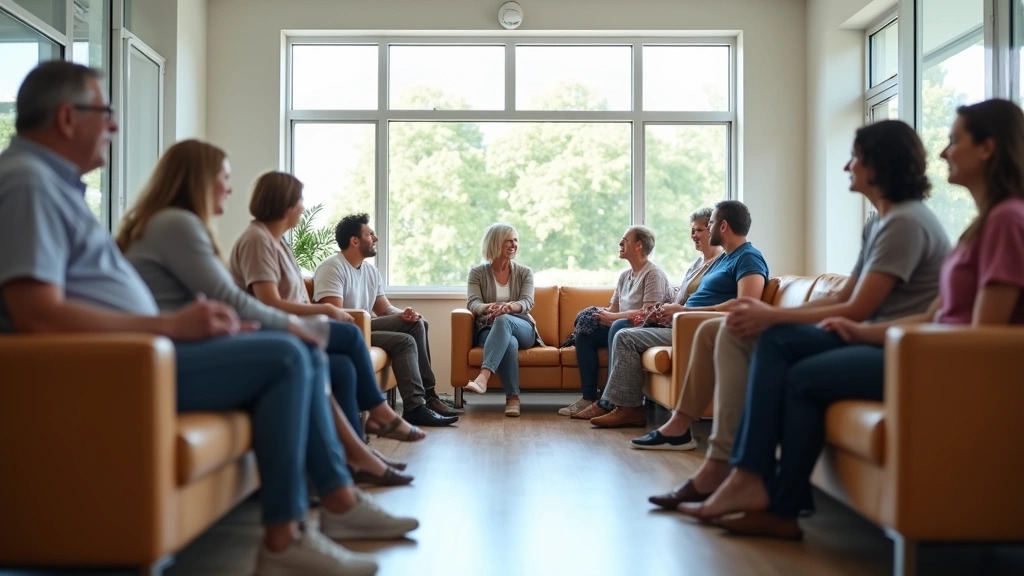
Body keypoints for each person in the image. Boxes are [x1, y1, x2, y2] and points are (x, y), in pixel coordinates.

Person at [0, 61, 415, 576]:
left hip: (138, 357)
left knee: (299, 352)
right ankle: (301, 528)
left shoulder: (50, 185)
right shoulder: (28, 184)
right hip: (123, 367)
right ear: (67, 117)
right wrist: (168, 327)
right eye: (105, 111)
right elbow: (35, 314)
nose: (113, 125)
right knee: (291, 354)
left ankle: (330, 508)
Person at [671, 101, 1024, 538]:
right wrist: (865, 330)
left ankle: (751, 481)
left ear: (988, 148)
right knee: (788, 363)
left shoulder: (999, 220)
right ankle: (772, 499)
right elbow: (936, 312)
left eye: (956, 140)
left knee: (782, 350)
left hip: (934, 365)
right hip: (916, 350)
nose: (945, 152)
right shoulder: (974, 225)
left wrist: (856, 329)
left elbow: (978, 340)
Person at [650, 120, 950, 508]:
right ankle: (726, 466)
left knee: (770, 340)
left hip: (891, 345)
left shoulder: (906, 222)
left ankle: (739, 472)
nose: (847, 167)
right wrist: (764, 312)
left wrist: (771, 316)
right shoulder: (881, 224)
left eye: (855, 158)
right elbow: (847, 293)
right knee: (729, 331)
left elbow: (859, 309)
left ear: (880, 165)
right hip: (866, 334)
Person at [117, 144, 414, 488]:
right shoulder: (181, 225)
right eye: (224, 178)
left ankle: (352, 461)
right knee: (315, 348)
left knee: (342, 367)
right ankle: (359, 450)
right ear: (198, 180)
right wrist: (297, 322)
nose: (229, 187)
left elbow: (218, 301)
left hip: (189, 345)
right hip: (171, 354)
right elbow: (244, 299)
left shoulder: (193, 228)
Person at [230, 170, 425, 453]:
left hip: (296, 328)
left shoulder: (278, 243)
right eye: (299, 201)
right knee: (348, 334)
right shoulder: (257, 240)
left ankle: (356, 450)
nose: (303, 207)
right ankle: (380, 413)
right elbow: (268, 303)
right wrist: (324, 310)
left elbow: (292, 297)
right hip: (276, 332)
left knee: (344, 369)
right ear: (284, 205)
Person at [588, 202, 768, 428]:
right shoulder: (722, 260)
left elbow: (745, 305)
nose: (706, 229)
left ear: (722, 227)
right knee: (625, 329)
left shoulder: (748, 258)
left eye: (709, 223)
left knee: (625, 336)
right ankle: (617, 404)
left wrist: (684, 312)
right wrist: (670, 311)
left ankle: (629, 409)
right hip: (683, 323)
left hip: (697, 327)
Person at [313, 213, 459, 427]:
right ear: (355, 241)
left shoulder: (370, 271)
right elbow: (337, 314)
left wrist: (404, 314)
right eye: (370, 234)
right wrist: (377, 318)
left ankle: (422, 402)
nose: (376, 238)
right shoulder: (332, 267)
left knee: (418, 322)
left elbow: (384, 309)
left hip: (365, 326)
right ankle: (422, 403)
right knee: (407, 337)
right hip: (348, 331)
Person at [558, 226, 673, 418]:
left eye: (625, 240)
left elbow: (649, 312)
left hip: (646, 327)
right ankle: (588, 397)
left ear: (638, 245)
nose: (620, 243)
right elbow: (613, 308)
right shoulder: (624, 276)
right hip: (624, 324)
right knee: (585, 334)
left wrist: (612, 318)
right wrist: (597, 313)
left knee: (618, 326)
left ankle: (611, 401)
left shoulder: (654, 274)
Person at [463, 223, 541, 417]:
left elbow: (527, 301)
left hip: (522, 326)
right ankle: (513, 399)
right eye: (509, 240)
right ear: (496, 243)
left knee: (505, 320)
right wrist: (488, 308)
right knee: (509, 342)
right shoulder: (477, 273)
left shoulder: (524, 272)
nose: (514, 244)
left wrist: (509, 307)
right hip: (488, 329)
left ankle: (483, 377)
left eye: (516, 240)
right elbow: (473, 303)